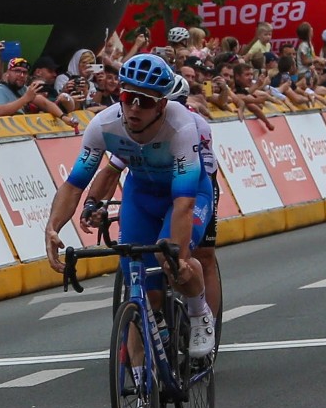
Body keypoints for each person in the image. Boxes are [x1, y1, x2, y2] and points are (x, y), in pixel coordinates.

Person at [45, 54, 216, 408]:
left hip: (184, 194)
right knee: (140, 295)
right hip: (141, 194)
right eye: (128, 97)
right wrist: (54, 227)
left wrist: (179, 253)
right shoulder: (104, 125)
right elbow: (76, 183)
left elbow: (185, 202)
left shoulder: (183, 127)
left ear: (162, 104)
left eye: (146, 101)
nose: (134, 107)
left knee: (172, 259)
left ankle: (197, 309)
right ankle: (142, 399)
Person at [81, 74, 222, 328]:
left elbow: (204, 177)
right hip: (148, 189)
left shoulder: (194, 126)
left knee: (202, 255)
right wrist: (92, 202)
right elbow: (112, 170)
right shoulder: (137, 128)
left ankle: (203, 318)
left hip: (193, 185)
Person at [0, 58, 77, 126]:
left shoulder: (23, 89)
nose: (21, 75)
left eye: (25, 72)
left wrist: (63, 117)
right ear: (8, 73)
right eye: (17, 71)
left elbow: (45, 103)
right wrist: (25, 99)